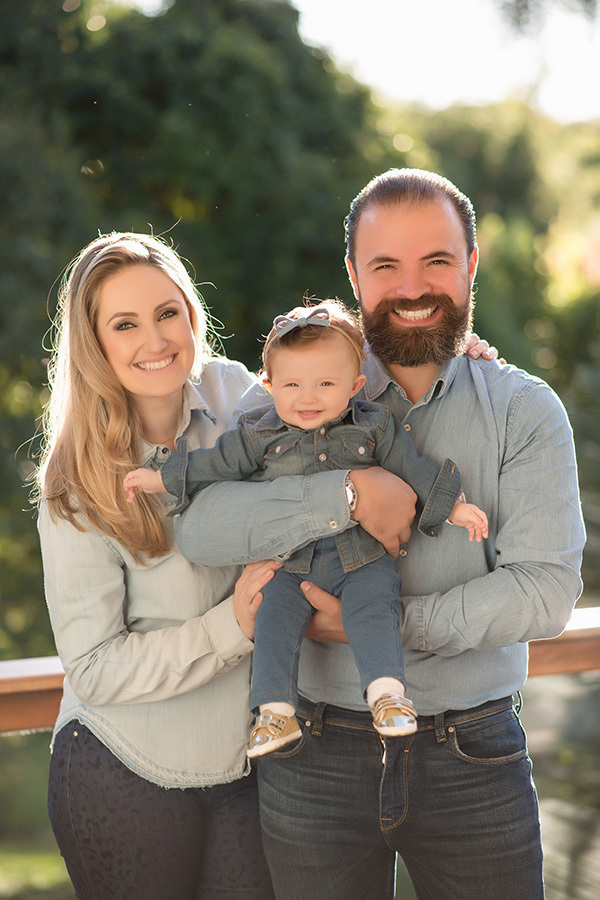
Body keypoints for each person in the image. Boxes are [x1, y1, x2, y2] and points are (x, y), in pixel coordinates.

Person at [171, 168, 586, 900]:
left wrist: (372, 628)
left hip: (475, 756)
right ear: (354, 276)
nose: (413, 287)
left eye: (437, 261)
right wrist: (348, 492)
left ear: (471, 266)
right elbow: (202, 529)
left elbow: (545, 592)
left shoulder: (525, 411)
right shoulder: (294, 387)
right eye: (386, 265)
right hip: (311, 754)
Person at [123, 299, 488, 757]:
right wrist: (161, 477)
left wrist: (452, 507)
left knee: (375, 608)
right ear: (269, 384)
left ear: (355, 386)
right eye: (292, 384)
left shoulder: (373, 426)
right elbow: (214, 464)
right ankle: (275, 712)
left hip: (363, 557)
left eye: (325, 384)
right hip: (292, 562)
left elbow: (414, 467)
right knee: (273, 617)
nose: (307, 397)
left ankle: (388, 695)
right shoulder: (259, 433)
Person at [33, 232, 281, 900]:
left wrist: (453, 364)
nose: (155, 340)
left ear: (192, 315)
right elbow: (94, 665)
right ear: (98, 345)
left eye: (167, 312)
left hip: (247, 769)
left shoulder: (240, 398)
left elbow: (335, 404)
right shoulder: (75, 480)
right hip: (120, 768)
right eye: (125, 324)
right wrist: (233, 625)